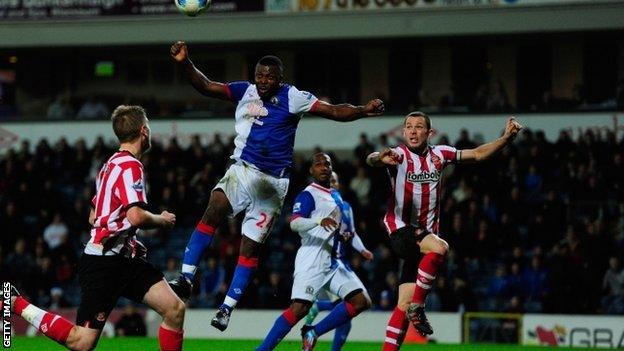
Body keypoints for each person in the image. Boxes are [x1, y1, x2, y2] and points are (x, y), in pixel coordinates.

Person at [167, 41, 385, 331]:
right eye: (260, 75)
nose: (264, 81)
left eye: (270, 77)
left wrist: (362, 110)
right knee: (213, 208)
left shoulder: (292, 97)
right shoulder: (244, 91)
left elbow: (332, 110)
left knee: (249, 248)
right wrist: (184, 62)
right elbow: (206, 86)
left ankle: (226, 309)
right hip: (243, 171)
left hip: (273, 184)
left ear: (280, 78)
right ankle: (186, 278)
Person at [9, 105, 185, 351]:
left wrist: (123, 236)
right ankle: (16, 304)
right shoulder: (131, 166)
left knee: (174, 310)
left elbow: (94, 216)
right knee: (82, 342)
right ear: (144, 131)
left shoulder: (109, 165)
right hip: (104, 263)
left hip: (125, 257)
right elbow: (135, 217)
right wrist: (162, 219)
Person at [366, 111, 522, 350]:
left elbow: (478, 154)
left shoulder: (441, 154)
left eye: (419, 127)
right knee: (441, 247)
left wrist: (505, 139)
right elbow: (372, 158)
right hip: (401, 229)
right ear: (404, 132)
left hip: (422, 238)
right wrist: (378, 158)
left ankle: (406, 320)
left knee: (403, 304)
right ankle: (419, 307)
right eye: (408, 127)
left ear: (429, 133)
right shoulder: (398, 156)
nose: (413, 131)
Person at [256, 153, 372, 351]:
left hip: (332, 261)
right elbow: (295, 222)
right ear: (311, 170)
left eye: (326, 164)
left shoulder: (335, 195)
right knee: (299, 309)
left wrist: (342, 237)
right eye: (318, 164)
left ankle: (313, 331)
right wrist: (319, 221)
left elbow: (338, 227)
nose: (323, 167)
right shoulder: (308, 194)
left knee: (361, 301)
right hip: (312, 259)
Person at [303, 171, 373, 351]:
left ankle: (316, 315)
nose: (332, 183)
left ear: (339, 184)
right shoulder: (322, 205)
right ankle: (314, 328)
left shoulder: (347, 207)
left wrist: (362, 249)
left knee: (354, 307)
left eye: (335, 180)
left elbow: (352, 233)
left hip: (342, 262)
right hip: (327, 262)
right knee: (355, 306)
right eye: (329, 180)